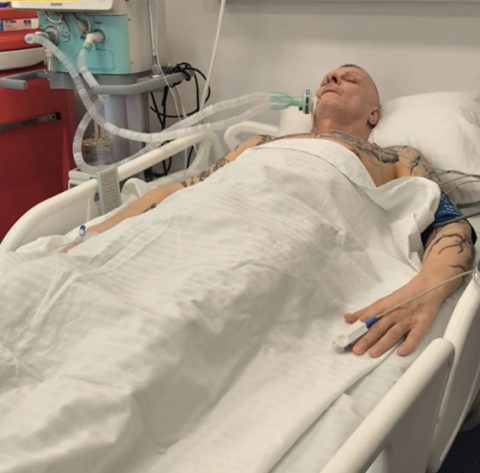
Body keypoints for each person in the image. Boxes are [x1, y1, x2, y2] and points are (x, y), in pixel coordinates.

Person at [62, 64, 476, 359]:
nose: (332, 79)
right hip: (202, 222)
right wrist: (97, 234)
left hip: (287, 235)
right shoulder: (258, 145)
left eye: (350, 79)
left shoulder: (395, 156)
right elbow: (181, 190)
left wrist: (428, 290)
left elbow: (446, 223)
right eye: (328, 77)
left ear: (374, 113)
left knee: (191, 315)